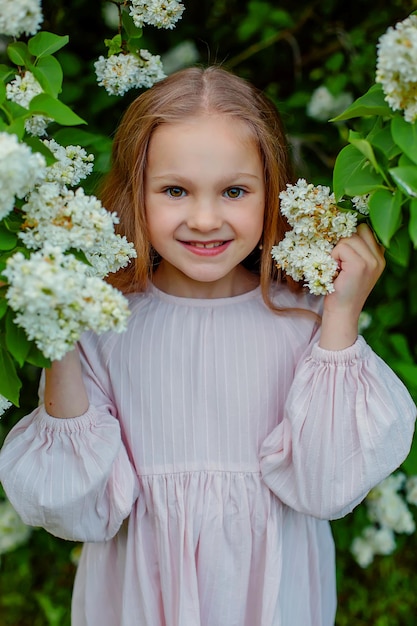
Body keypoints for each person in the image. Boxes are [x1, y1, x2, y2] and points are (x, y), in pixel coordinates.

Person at [0, 66, 415, 626]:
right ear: (135, 193)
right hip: (139, 600)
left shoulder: (304, 320)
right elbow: (77, 511)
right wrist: (59, 335)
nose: (203, 218)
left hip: (271, 600)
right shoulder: (102, 323)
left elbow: (325, 485)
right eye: (175, 190)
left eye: (234, 191)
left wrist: (342, 315)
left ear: (273, 192)